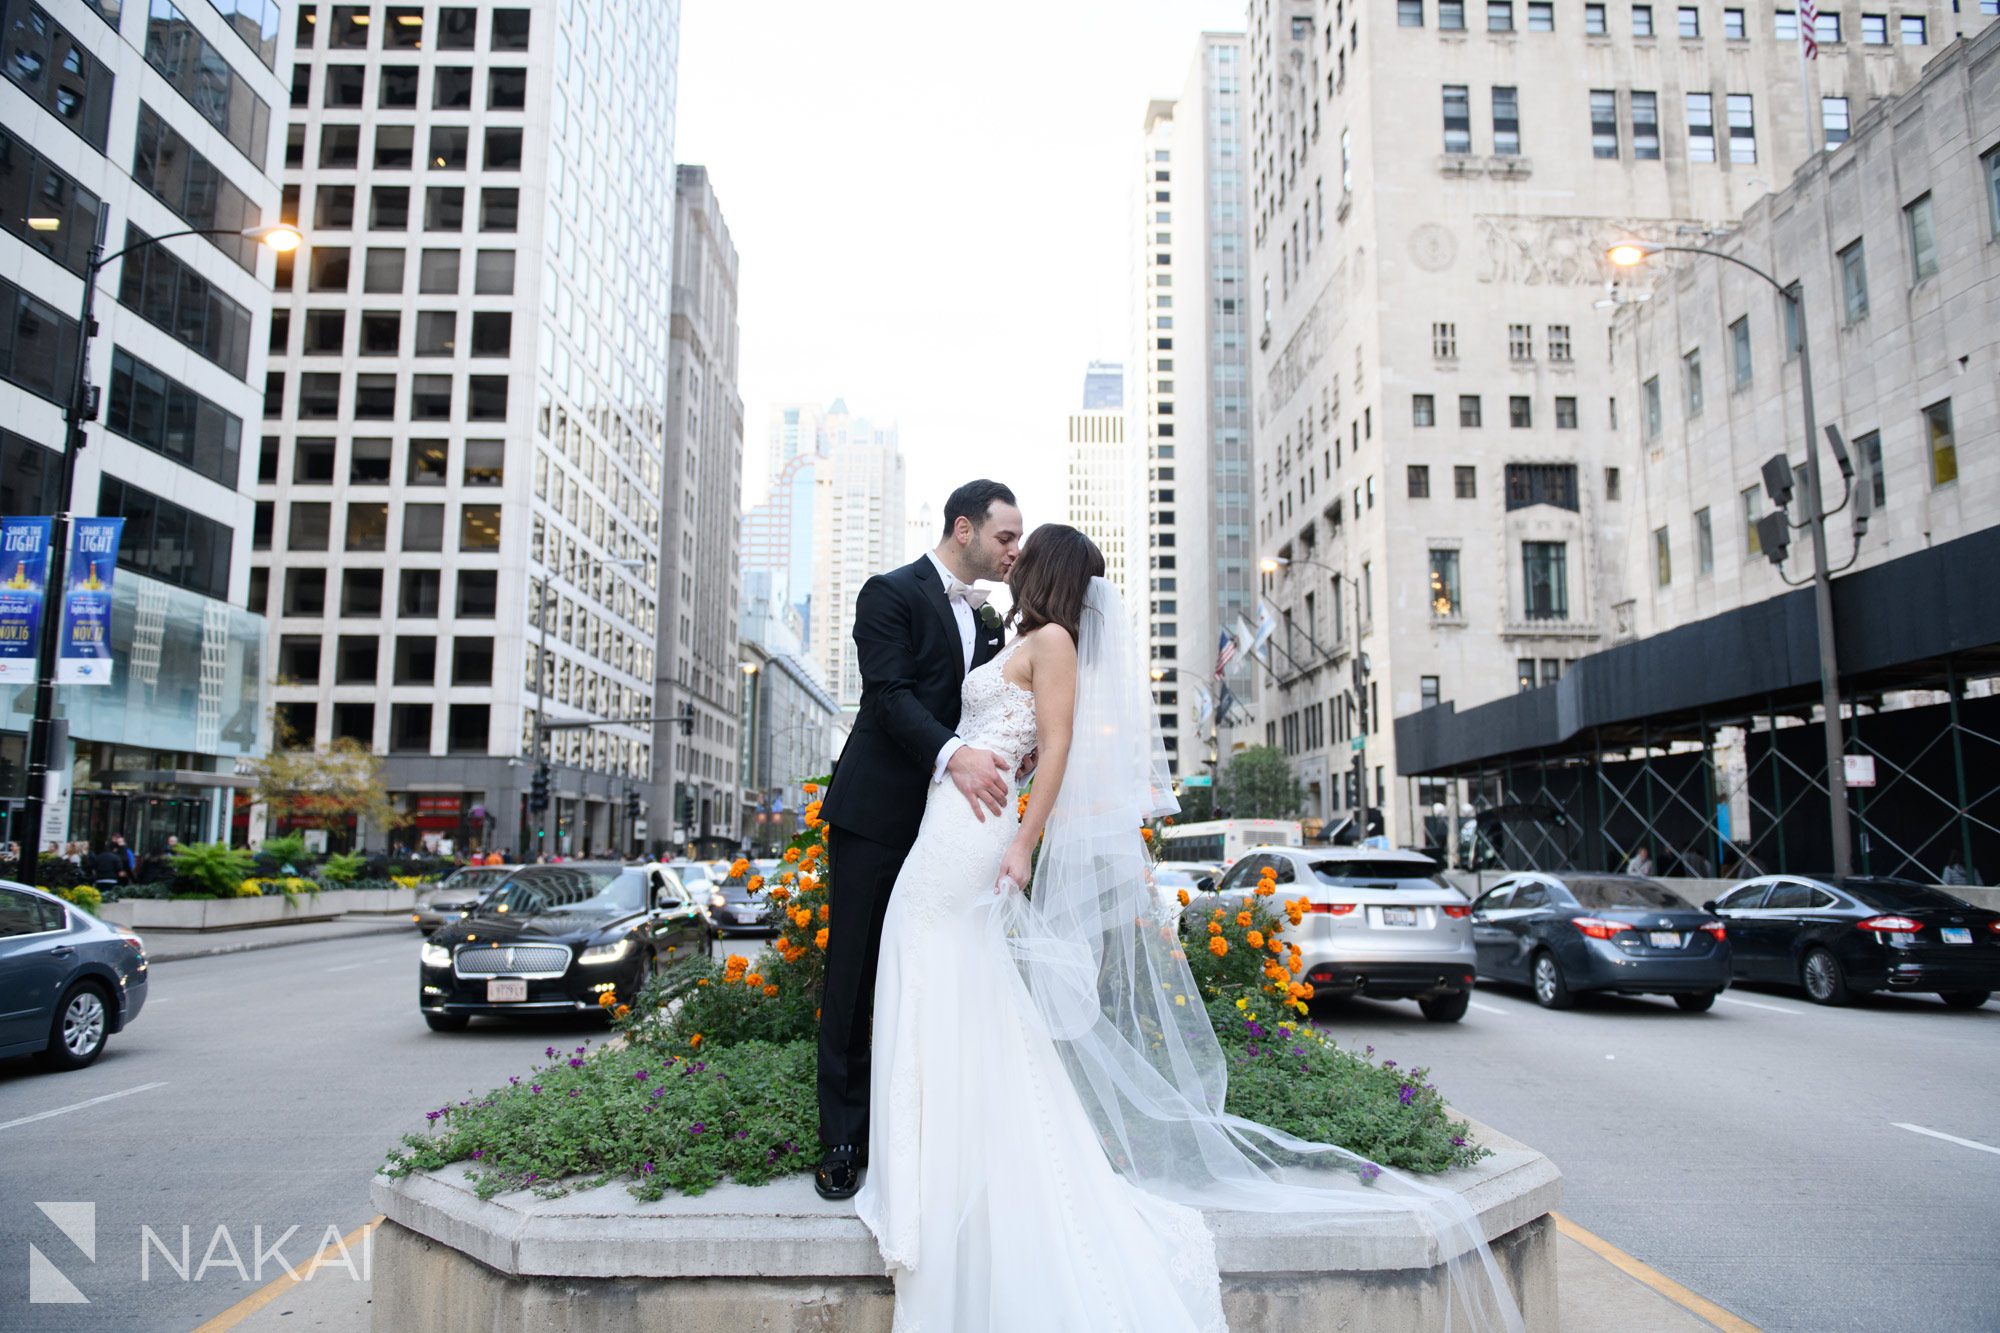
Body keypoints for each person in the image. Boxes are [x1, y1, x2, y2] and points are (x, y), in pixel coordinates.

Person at [851, 524, 1522, 1332]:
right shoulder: (1026, 636)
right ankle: (933, 1156)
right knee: (937, 966)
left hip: (980, 829)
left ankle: (943, 1164)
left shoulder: (1055, 640)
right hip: (953, 814)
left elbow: (1057, 745)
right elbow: (1022, 735)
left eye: (1028, 551)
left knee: (935, 958)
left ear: (1048, 568)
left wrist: (1025, 843)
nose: (1015, 557)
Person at [815, 479, 1023, 1200]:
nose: (1014, 550)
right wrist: (953, 755)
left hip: (953, 830)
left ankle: (922, 1128)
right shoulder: (889, 592)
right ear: (963, 529)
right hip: (877, 813)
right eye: (1005, 537)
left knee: (935, 970)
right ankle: (842, 1139)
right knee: (855, 975)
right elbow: (890, 694)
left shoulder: (995, 622)